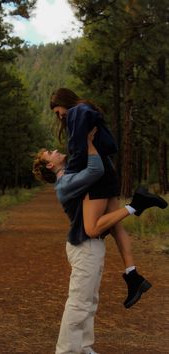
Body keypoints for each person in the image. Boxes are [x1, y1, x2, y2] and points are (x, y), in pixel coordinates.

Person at [32, 131, 167, 354]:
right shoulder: (65, 183)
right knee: (78, 303)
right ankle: (66, 351)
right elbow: (94, 171)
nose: (55, 151)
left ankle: (84, 347)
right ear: (49, 166)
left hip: (91, 246)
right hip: (84, 247)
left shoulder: (69, 177)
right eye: (50, 153)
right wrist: (87, 142)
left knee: (90, 301)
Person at [49, 87, 167, 309]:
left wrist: (77, 158)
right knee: (115, 226)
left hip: (98, 176)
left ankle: (137, 204)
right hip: (107, 171)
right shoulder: (83, 109)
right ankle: (133, 275)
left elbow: (78, 144)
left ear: (64, 102)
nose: (60, 116)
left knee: (92, 228)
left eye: (58, 111)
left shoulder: (77, 111)